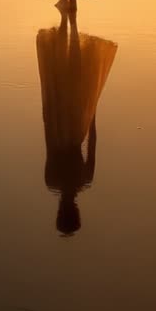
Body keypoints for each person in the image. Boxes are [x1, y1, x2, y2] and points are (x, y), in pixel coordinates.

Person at [36, 14, 118, 236]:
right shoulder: (55, 180)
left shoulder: (77, 180)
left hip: (69, 125)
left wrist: (91, 112)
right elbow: (54, 143)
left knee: (73, 74)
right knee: (67, 73)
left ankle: (69, 22)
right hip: (60, 122)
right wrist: (90, 112)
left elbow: (90, 144)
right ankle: (69, 23)